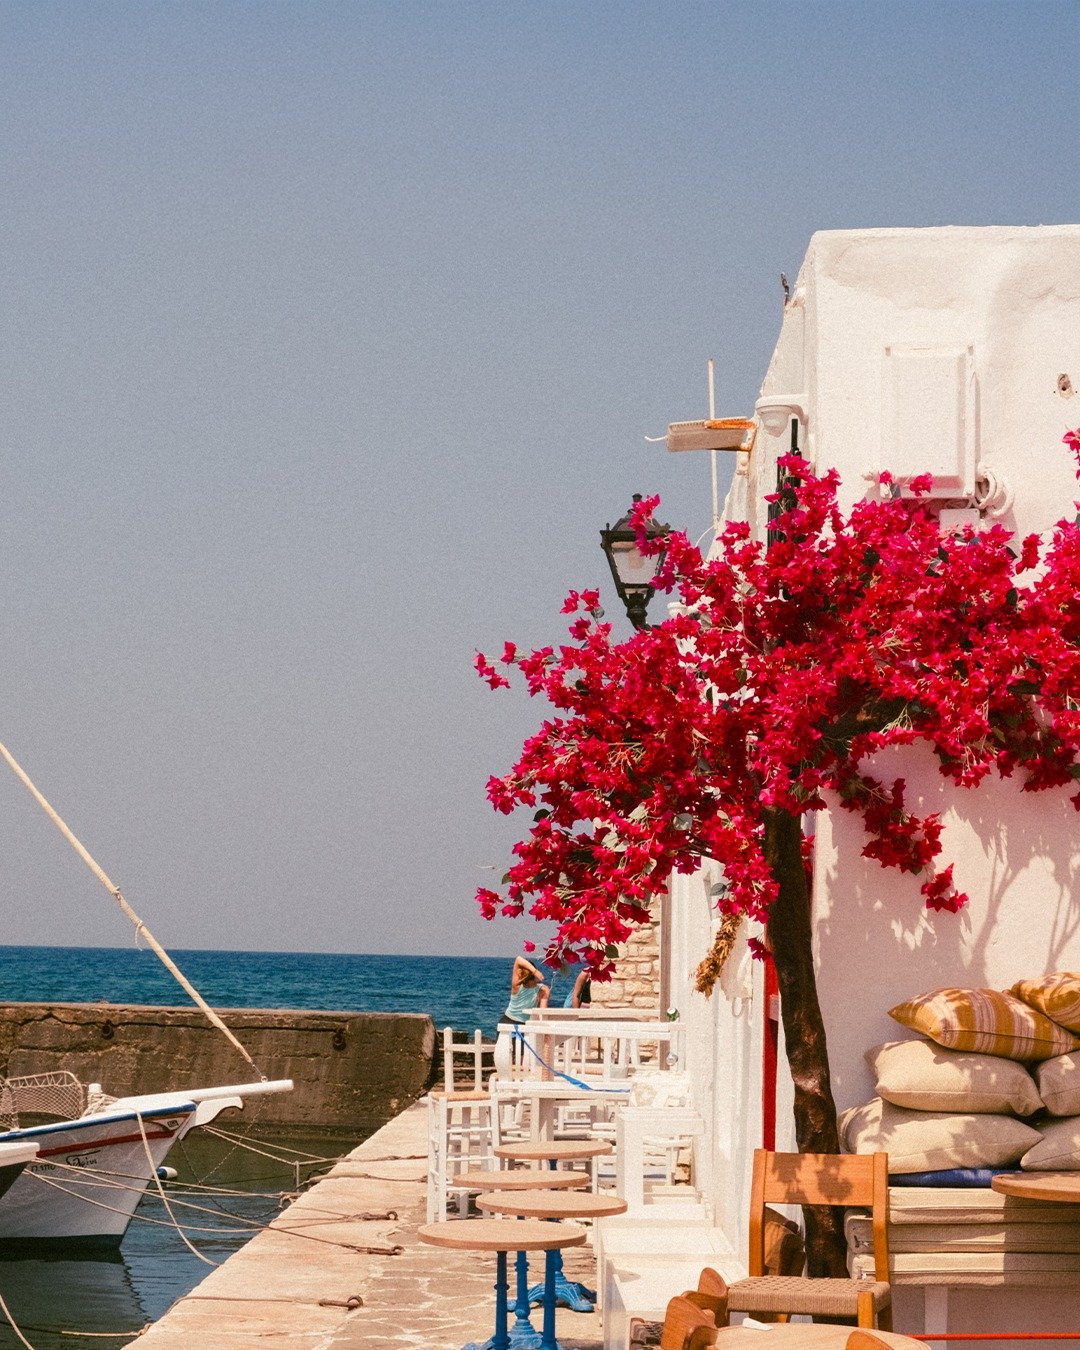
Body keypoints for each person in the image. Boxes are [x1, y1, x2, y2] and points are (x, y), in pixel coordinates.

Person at [503, 954, 550, 1024]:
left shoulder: (517, 985)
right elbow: (543, 1016)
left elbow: (518, 959)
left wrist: (535, 971)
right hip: (523, 1026)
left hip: (507, 1021)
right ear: (534, 975)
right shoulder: (543, 990)